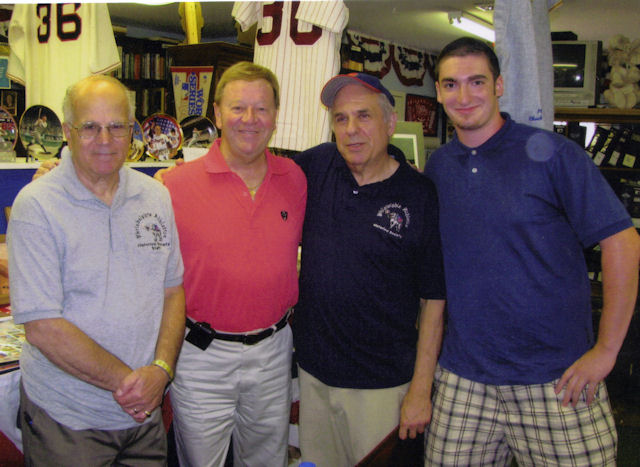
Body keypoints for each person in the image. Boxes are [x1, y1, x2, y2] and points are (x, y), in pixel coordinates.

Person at [424, 37, 640, 466]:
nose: (463, 96)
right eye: (451, 84)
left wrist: (606, 350)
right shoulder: (439, 167)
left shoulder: (554, 155)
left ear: (499, 85)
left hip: (557, 378)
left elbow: (623, 241)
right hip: (465, 378)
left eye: (476, 82)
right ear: (439, 93)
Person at [7, 75, 185, 466]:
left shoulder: (155, 196)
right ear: (67, 131)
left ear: (131, 129)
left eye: (116, 126)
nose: (105, 139)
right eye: (90, 127)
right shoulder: (36, 206)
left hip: (144, 415)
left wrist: (161, 370)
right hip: (69, 419)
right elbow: (43, 326)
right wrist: (133, 386)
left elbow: (172, 291)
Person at [292, 72, 446, 466]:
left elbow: (434, 299)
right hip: (314, 376)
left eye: (364, 116)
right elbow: (259, 170)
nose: (351, 130)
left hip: (382, 385)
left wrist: (421, 389)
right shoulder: (317, 166)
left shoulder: (419, 194)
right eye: (341, 119)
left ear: (390, 123)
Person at [163, 62, 307, 467]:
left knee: (267, 460)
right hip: (201, 355)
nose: (249, 119)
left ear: (275, 115)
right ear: (218, 112)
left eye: (261, 108)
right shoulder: (174, 185)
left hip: (274, 351)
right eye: (238, 107)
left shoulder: (295, 178)